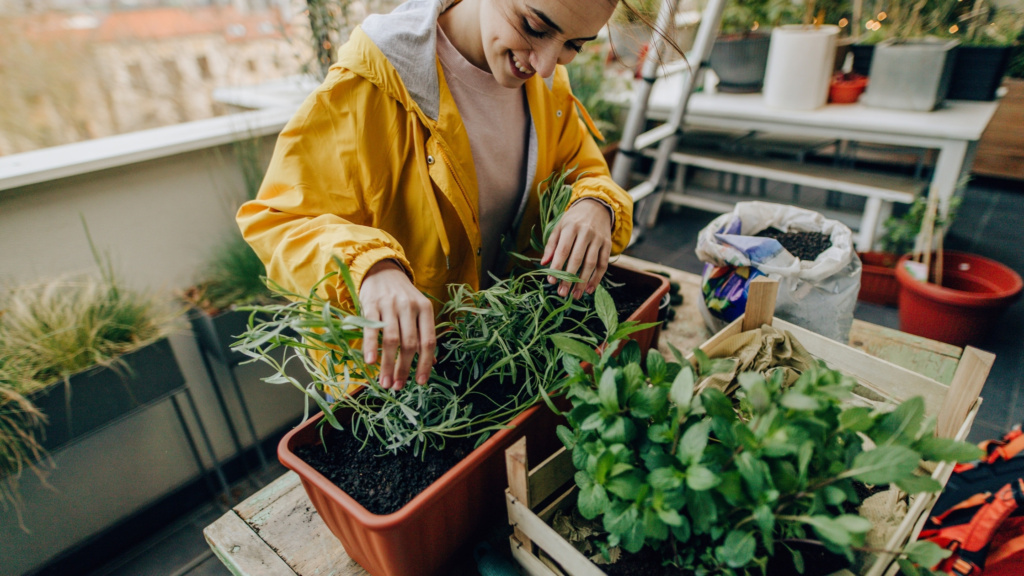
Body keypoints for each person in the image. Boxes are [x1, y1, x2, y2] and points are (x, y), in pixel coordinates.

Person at [237, 0, 639, 394]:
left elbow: (582, 168)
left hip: (502, 362)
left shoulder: (546, 83)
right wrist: (370, 268)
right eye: (535, 27)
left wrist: (595, 203)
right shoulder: (371, 82)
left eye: (575, 45)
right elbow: (277, 220)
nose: (547, 64)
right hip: (398, 392)